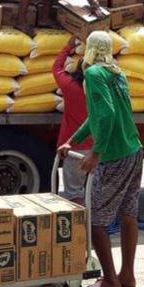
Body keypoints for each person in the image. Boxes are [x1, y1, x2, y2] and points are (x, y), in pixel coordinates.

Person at [57, 31, 143, 287]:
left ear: (89, 50)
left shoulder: (93, 74)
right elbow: (96, 116)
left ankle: (109, 280)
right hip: (134, 150)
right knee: (128, 214)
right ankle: (127, 274)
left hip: (114, 155)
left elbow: (106, 114)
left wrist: (96, 152)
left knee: (93, 219)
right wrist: (73, 140)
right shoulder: (117, 73)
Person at [52, 36, 93, 205]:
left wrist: (68, 47)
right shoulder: (101, 90)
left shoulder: (69, 86)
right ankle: (92, 219)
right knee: (94, 191)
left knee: (74, 193)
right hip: (97, 149)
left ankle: (81, 220)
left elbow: (56, 67)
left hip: (75, 148)